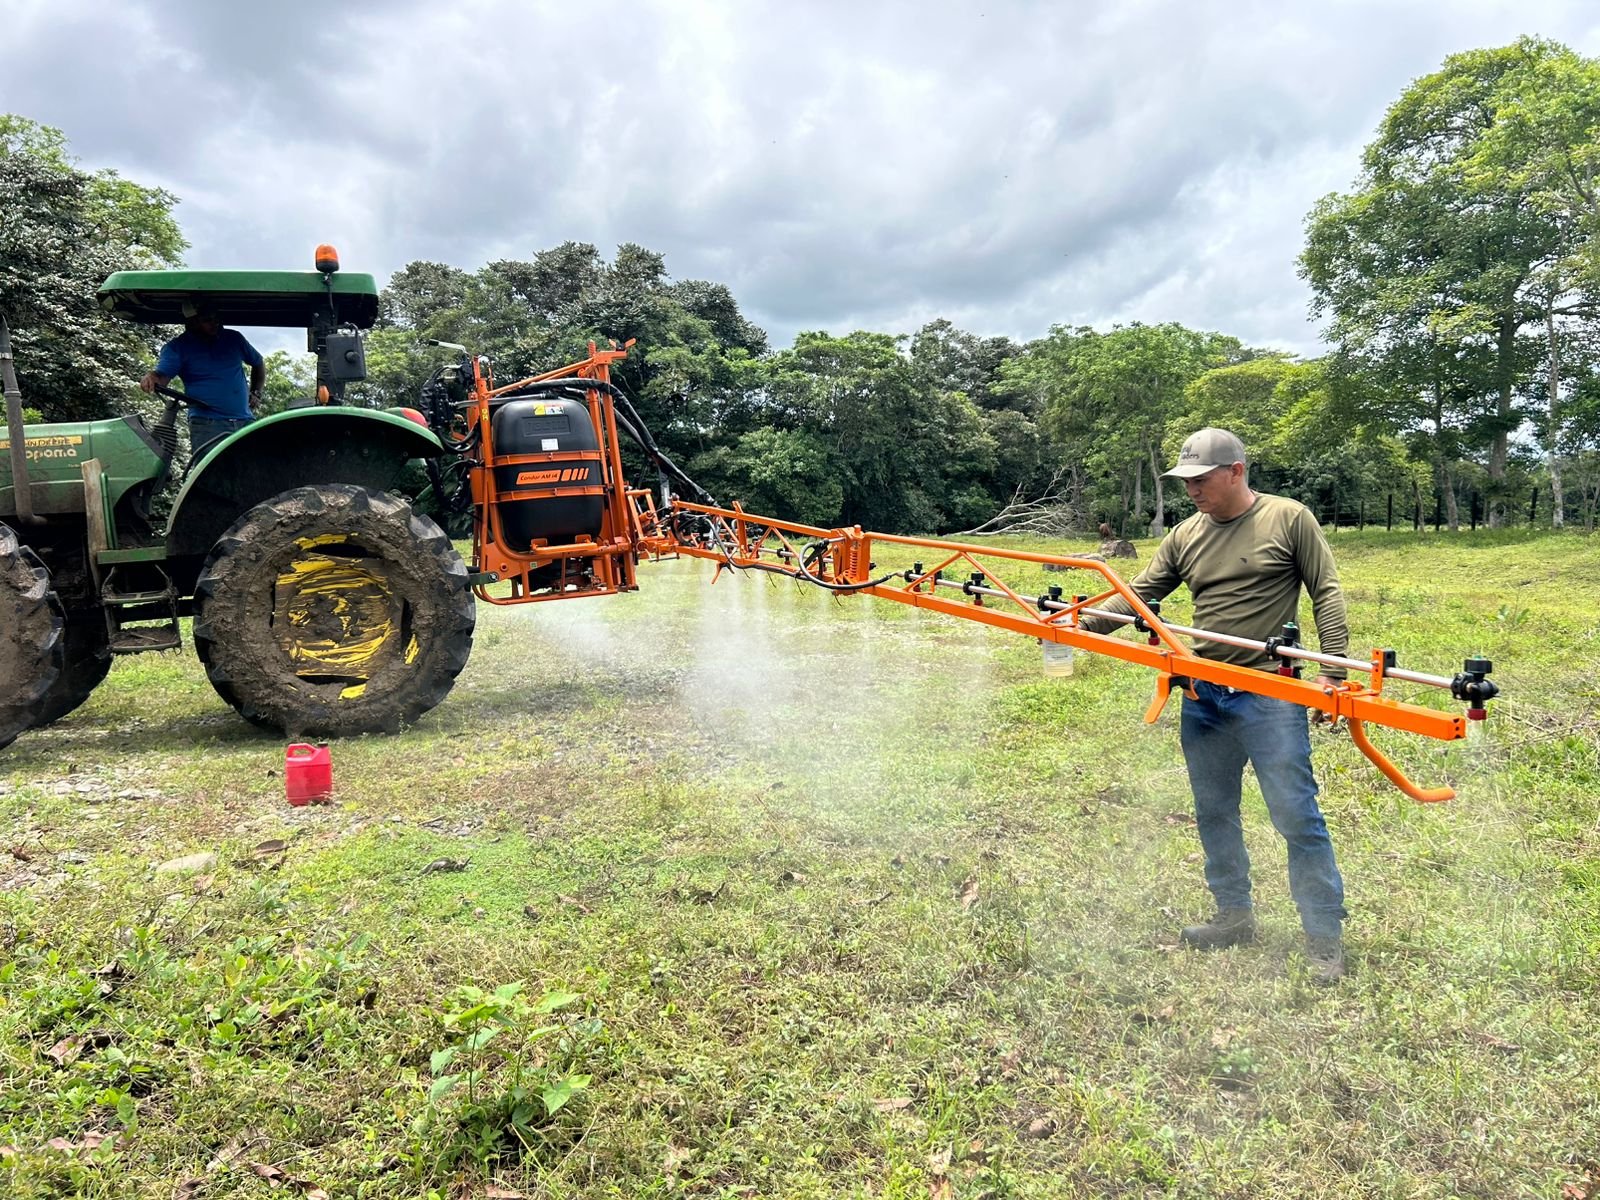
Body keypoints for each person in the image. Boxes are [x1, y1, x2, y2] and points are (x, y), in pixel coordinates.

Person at [1081, 428, 1351, 984]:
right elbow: (1141, 594)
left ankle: (1324, 937)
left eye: (1202, 480)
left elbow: (1325, 589)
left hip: (1270, 691)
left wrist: (1333, 669)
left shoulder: (1289, 518)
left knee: (1295, 814)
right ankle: (1233, 916)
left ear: (1236, 471)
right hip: (1204, 692)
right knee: (1214, 810)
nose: (1194, 491)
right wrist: (1078, 623)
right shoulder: (1185, 534)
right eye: (1186, 483)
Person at [139, 300, 265, 455]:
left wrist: (256, 392)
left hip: (245, 421)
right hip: (208, 425)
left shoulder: (234, 339)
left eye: (216, 318)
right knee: (211, 475)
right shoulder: (178, 348)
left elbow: (258, 363)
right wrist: (152, 377)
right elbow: (162, 378)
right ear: (191, 323)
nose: (214, 323)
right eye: (207, 320)